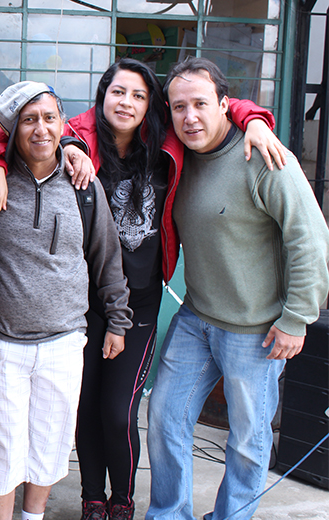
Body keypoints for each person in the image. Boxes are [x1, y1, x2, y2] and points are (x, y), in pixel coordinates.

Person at [0, 59, 283, 520]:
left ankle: (122, 499)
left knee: (119, 411)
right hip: (80, 305)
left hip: (136, 301)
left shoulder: (168, 142)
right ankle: (92, 499)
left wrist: (254, 119)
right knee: (83, 410)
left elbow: (212, 105)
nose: (127, 103)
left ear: (151, 105)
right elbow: (7, 125)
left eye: (139, 96)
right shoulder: (76, 134)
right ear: (102, 96)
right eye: (118, 92)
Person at [146, 56, 329, 520]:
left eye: (201, 104)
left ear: (225, 105)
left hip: (257, 330)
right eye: (179, 106)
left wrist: (297, 318)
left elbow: (310, 239)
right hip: (196, 317)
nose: (190, 117)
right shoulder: (179, 156)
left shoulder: (265, 159)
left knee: (248, 440)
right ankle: (169, 513)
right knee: (166, 419)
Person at [0, 81, 132, 520]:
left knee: (49, 439)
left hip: (64, 339)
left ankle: (33, 516)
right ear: (12, 129)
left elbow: (106, 254)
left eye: (49, 118)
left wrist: (118, 320)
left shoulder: (82, 183)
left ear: (63, 125)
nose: (40, 129)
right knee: (2, 445)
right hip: (3, 341)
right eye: (28, 120)